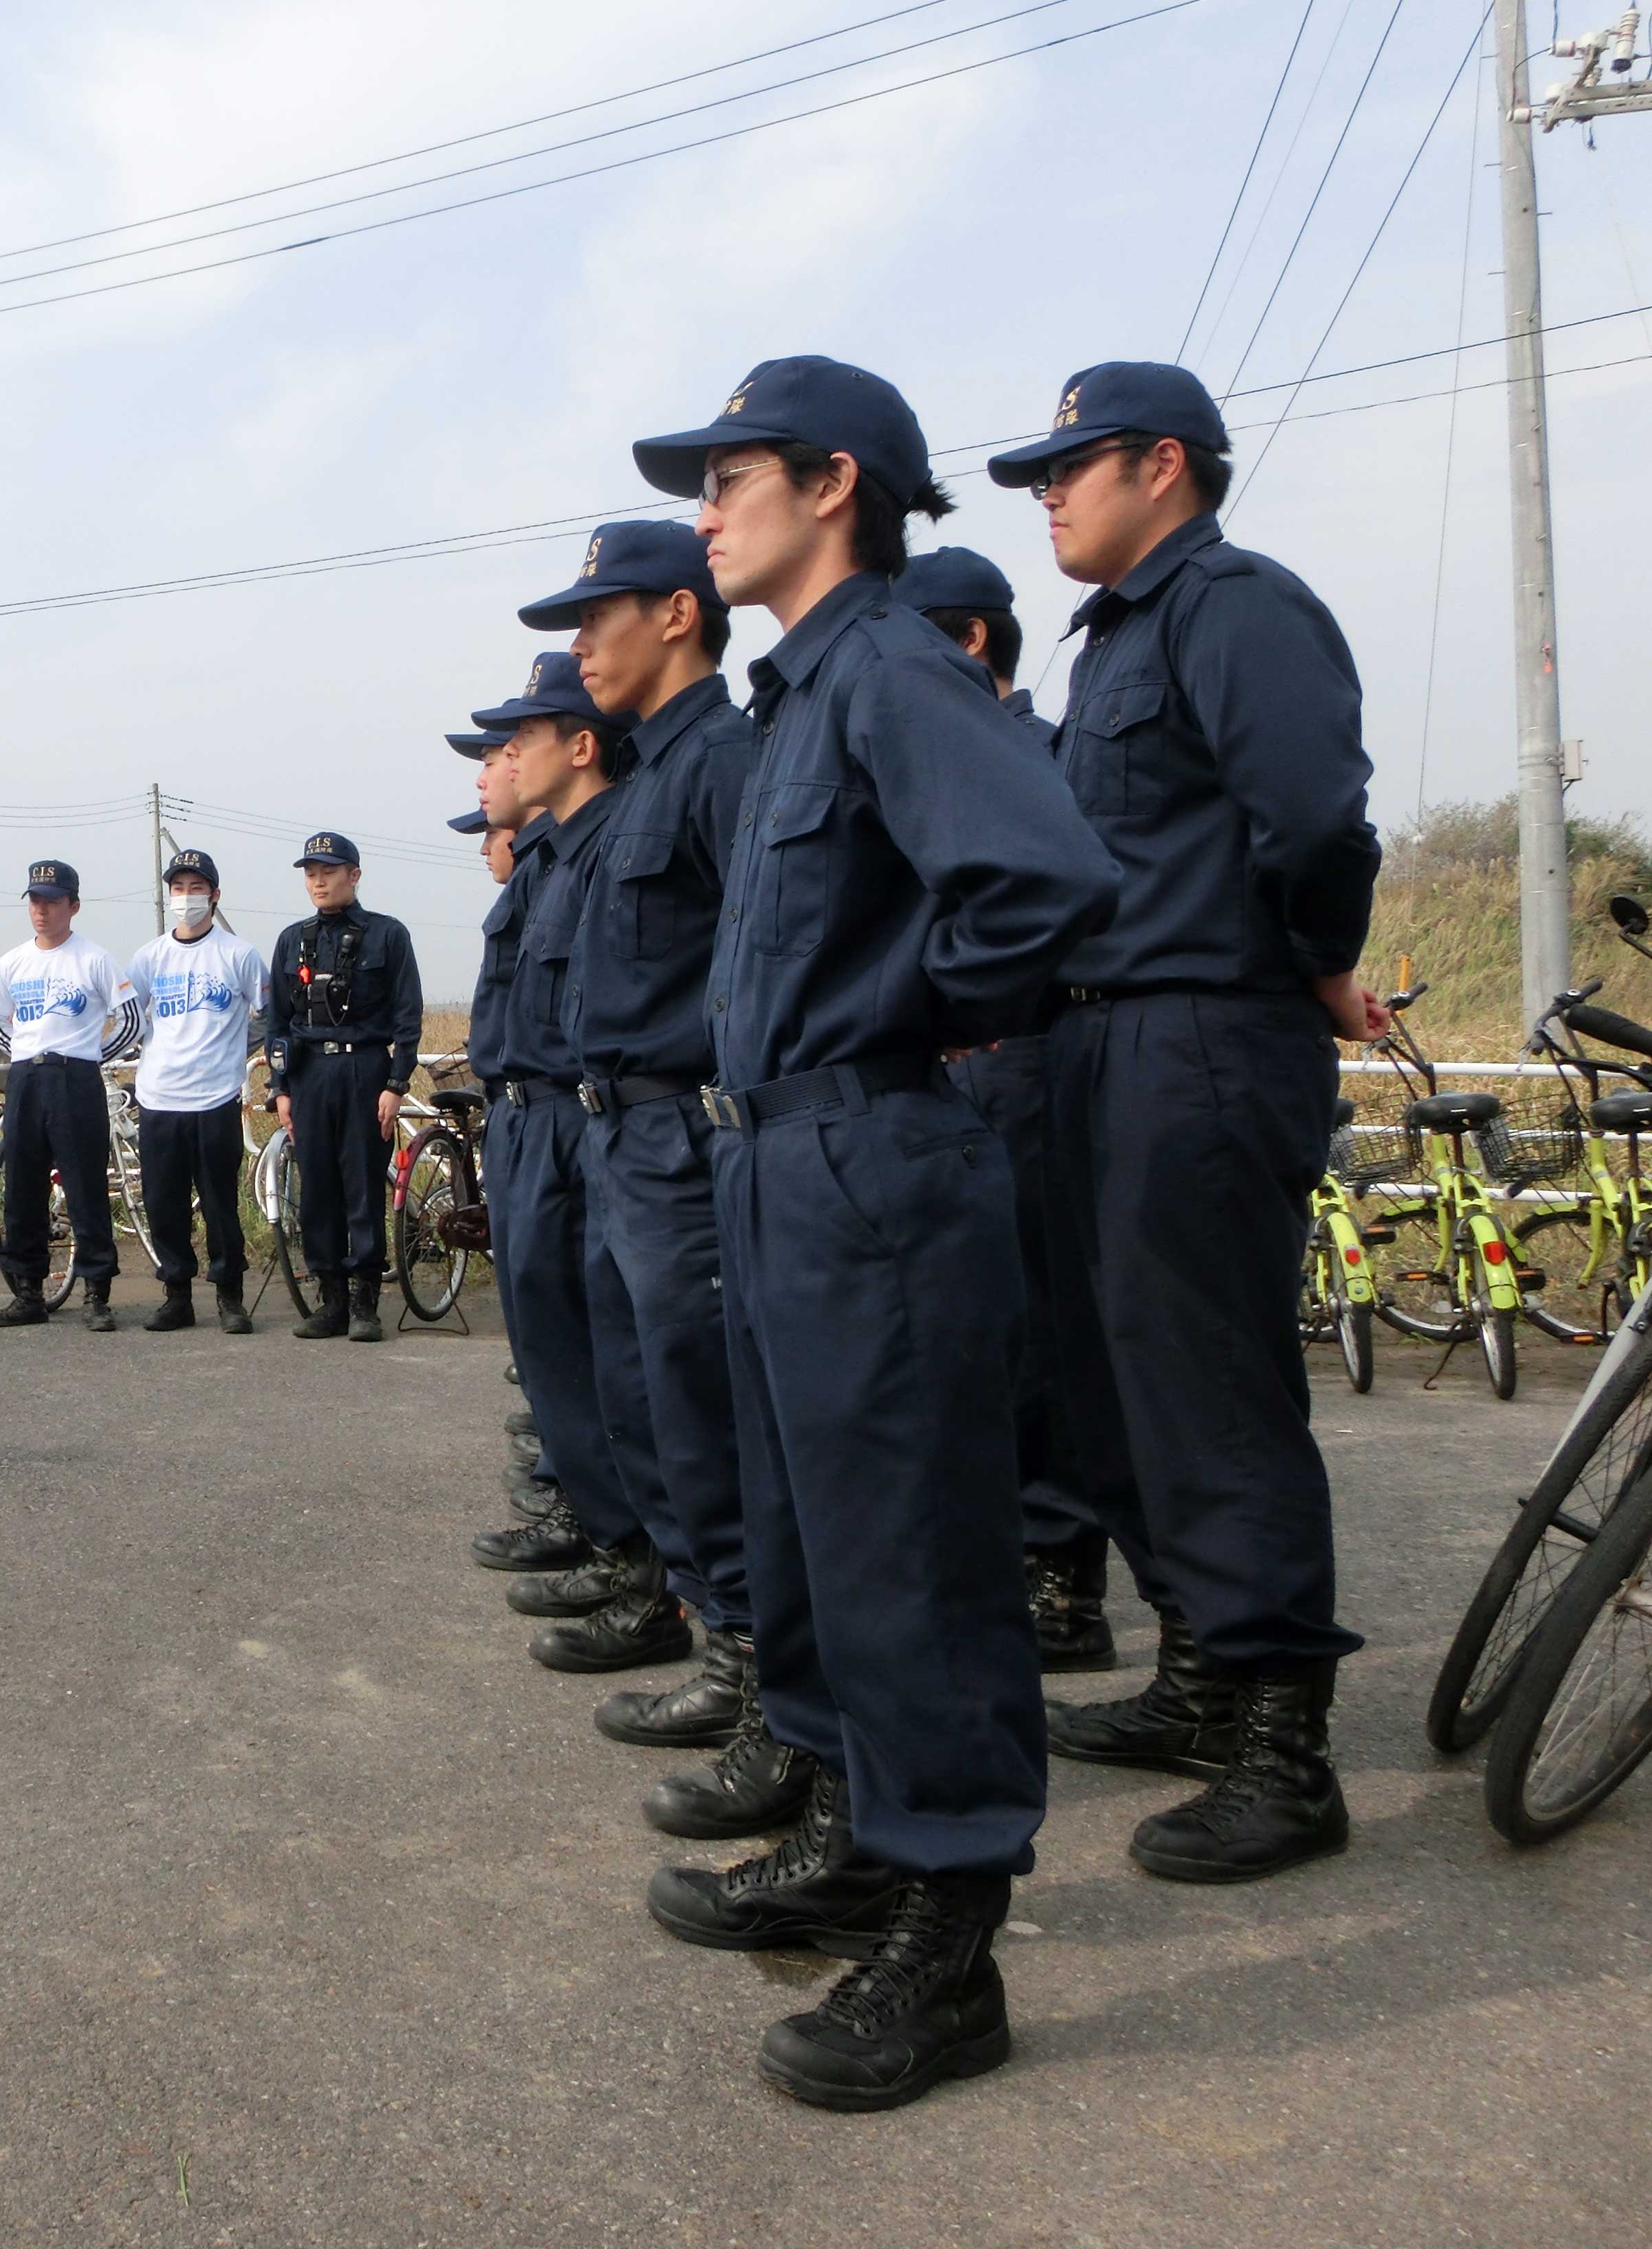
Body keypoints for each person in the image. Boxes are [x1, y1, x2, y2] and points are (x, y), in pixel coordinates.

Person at [625, 357, 1121, 2112]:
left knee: (913, 1552)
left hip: (872, 1153)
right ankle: (852, 1829)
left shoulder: (898, 667)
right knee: (814, 1535)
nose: (706, 512)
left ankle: (951, 1933)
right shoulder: (802, 694)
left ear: (833, 483)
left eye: (728, 477)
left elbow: (1045, 884)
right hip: (779, 1160)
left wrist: (898, 1012)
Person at [985, 363, 1385, 1887]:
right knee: (1109, 1381)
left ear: (1162, 464)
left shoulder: (1235, 608)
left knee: (1208, 1384)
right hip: (1097, 1039)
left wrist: (1316, 960)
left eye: (1068, 467)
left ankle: (1283, 1746)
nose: (1046, 496)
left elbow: (1315, 818)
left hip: (1203, 1029)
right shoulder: (1112, 642)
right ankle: (1199, 1671)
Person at [520, 521, 788, 1826]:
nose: (580, 646)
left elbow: (764, 956)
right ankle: (709, 1621)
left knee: (706, 1406)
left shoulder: (723, 762)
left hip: (683, 1131)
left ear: (676, 615)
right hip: (619, 1133)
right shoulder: (655, 779)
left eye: (596, 617)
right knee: (647, 1397)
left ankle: (753, 1660)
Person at [896, 546, 1112, 1673]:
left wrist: (971, 998)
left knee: (1037, 1324)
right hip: (937, 1075)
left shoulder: (1035, 755)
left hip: (1020, 1058)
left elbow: (1058, 904)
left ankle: (1060, 1575)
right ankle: (986, 1554)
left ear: (969, 639)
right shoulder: (920, 759)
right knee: (956, 1331)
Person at [453, 656, 675, 1678]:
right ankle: (609, 1542)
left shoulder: (603, 846)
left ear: (582, 747)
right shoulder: (554, 857)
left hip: (578, 1121)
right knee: (556, 1349)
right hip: (529, 1119)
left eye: (514, 743)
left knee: (610, 1364)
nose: (494, 766)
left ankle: (642, 1571)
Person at [454, 737, 562, 1527]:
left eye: (488, 835)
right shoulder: (533, 881)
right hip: (520, 1108)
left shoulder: (555, 872)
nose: (484, 847)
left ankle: (581, 1495)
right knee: (538, 1304)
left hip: (559, 1110)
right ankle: (560, 1451)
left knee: (565, 1309)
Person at [266, 834, 422, 1341]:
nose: (319, 881)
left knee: (362, 1184)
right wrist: (281, 1087)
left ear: (354, 875)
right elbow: (278, 1022)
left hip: (365, 1071)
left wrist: (396, 1084)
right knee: (317, 1188)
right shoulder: (292, 940)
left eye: (329, 871)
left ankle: (364, 1302)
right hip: (310, 1074)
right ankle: (330, 1299)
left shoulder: (388, 935)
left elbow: (408, 1016)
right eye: (311, 873)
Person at [0, 861, 135, 1331]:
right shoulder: (13, 962)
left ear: (74, 905)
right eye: (35, 900)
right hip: (26, 1079)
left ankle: (96, 1294)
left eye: (52, 901)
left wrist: (89, 1054)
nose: (42, 910)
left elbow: (130, 1020)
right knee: (22, 1186)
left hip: (75, 1078)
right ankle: (28, 1292)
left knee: (84, 1187)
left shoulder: (94, 959)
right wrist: (26, 1053)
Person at [125, 850, 268, 1334]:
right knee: (163, 1204)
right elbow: (129, 1016)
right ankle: (177, 1296)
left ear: (215, 895)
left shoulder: (239, 955)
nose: (186, 898)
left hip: (216, 1098)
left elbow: (269, 1013)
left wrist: (235, 1048)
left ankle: (230, 1296)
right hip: (159, 1098)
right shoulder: (149, 957)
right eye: (178, 889)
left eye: (196, 888)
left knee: (219, 1203)